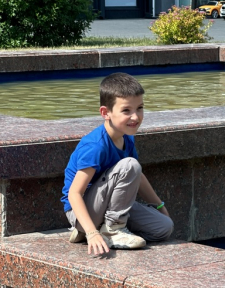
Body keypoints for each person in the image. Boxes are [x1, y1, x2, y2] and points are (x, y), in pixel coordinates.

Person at [61, 72, 174, 255]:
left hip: (108, 208)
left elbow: (139, 176)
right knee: (129, 165)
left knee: (163, 227)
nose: (135, 117)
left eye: (140, 108)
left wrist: (159, 206)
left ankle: (106, 229)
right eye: (126, 111)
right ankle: (110, 230)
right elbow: (74, 193)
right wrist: (90, 233)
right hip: (81, 211)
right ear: (106, 113)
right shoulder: (96, 146)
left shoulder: (126, 138)